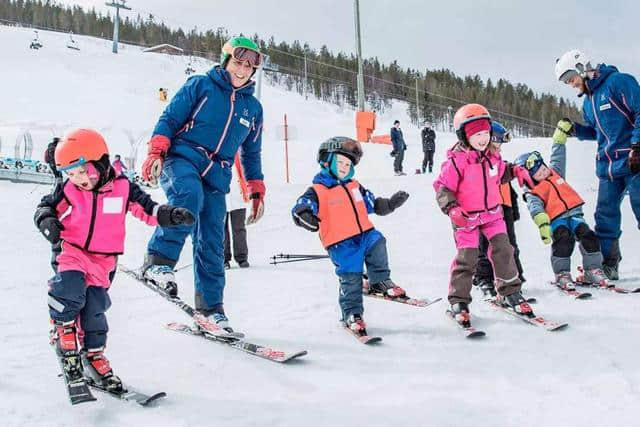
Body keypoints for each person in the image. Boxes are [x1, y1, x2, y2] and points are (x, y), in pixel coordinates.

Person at [34, 129, 193, 393]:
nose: (78, 179)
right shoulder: (70, 189)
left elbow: (148, 209)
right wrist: (47, 220)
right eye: (71, 174)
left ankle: (93, 356)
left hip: (104, 261)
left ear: (100, 161)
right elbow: (46, 207)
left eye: (82, 171)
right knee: (70, 291)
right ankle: (64, 334)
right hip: (72, 250)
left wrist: (170, 214)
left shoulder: (123, 188)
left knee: (95, 311)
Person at [141, 36, 266, 334]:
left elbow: (251, 152)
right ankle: (158, 262)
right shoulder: (201, 86)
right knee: (188, 197)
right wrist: (156, 151)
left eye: (249, 66)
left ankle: (211, 309)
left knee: (212, 237)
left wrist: (256, 189)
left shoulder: (253, 109)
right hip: (183, 157)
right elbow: (170, 118)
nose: (243, 69)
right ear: (225, 61)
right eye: (238, 62)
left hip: (218, 173)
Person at [291, 137, 409, 337]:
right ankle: (352, 314)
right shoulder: (317, 191)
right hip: (341, 244)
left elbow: (373, 204)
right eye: (341, 162)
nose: (345, 167)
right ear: (326, 161)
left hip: (365, 234)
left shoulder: (355, 186)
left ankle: (379, 281)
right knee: (351, 279)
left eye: (349, 164)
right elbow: (301, 206)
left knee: (378, 241)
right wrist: (304, 215)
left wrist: (390, 204)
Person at [433, 104, 527, 326]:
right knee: (468, 258)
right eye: (477, 134)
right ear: (464, 136)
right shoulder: (456, 162)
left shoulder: (492, 157)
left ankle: (510, 292)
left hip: (493, 214)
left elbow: (503, 172)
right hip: (466, 218)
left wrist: (518, 171)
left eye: (486, 133)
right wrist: (452, 208)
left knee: (504, 249)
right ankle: (459, 301)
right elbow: (442, 188)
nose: (483, 138)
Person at [554, 49, 640, 280]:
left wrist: (637, 145)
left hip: (634, 161)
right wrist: (576, 129)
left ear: (582, 68)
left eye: (570, 77)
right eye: (565, 81)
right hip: (608, 167)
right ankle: (608, 265)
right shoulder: (589, 102)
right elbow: (596, 132)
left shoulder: (619, 82)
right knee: (605, 217)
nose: (570, 84)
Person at [514, 130, 609, 289]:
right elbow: (535, 208)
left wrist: (559, 138)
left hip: (575, 216)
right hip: (557, 221)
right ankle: (562, 274)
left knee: (589, 236)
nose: (545, 171)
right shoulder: (532, 192)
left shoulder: (555, 172)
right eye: (539, 173)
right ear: (529, 178)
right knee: (564, 240)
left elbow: (558, 156)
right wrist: (542, 223)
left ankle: (593, 270)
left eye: (543, 168)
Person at [472, 121, 525, 297]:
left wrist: (513, 209)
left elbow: (510, 190)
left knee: (509, 244)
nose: (500, 150)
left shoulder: (500, 163)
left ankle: (514, 277)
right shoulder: (476, 165)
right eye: (497, 145)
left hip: (504, 208)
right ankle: (484, 278)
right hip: (482, 210)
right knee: (484, 246)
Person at [224, 154, 250, 269]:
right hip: (220, 197)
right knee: (221, 229)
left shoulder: (238, 155)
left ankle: (242, 258)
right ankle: (223, 258)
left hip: (238, 197)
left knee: (239, 228)